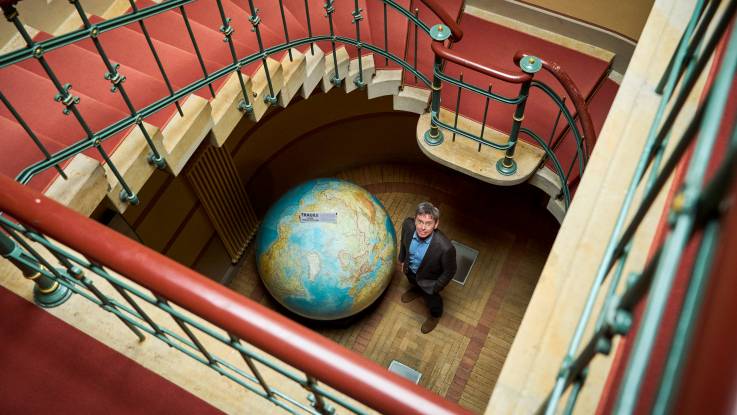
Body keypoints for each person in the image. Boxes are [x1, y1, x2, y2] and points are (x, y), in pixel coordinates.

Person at [398, 202, 456, 334]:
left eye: (428, 223)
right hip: (410, 270)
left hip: (430, 281)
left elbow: (450, 271)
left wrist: (436, 287)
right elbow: (403, 242)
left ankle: (435, 316)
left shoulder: (445, 248)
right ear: (415, 219)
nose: (422, 228)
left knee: (433, 301)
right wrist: (402, 259)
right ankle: (416, 290)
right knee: (413, 282)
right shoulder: (408, 225)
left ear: (436, 224)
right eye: (420, 221)